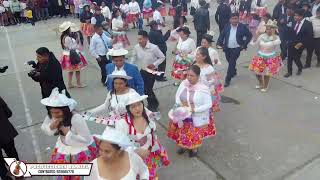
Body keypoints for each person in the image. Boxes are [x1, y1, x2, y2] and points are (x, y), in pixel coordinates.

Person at [41, 88, 98, 180]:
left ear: (66, 110)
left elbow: (85, 139)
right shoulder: (52, 115)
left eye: (57, 112)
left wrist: (67, 133)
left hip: (79, 150)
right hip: (63, 148)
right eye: (52, 112)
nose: (54, 115)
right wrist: (51, 127)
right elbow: (45, 127)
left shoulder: (76, 118)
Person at [115, 93, 170, 179]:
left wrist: (151, 146)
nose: (137, 108)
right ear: (128, 109)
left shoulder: (148, 116)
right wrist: (136, 151)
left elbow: (153, 133)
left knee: (151, 174)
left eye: (139, 104)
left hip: (150, 152)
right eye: (133, 106)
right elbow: (119, 144)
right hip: (134, 158)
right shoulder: (122, 124)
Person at [167, 65, 216, 157]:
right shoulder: (184, 83)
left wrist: (194, 109)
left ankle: (194, 148)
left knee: (194, 134)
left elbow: (208, 104)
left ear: (198, 76)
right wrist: (180, 104)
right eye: (188, 75)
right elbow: (177, 96)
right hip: (183, 114)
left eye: (192, 76)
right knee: (182, 132)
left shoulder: (203, 88)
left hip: (196, 116)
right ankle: (183, 146)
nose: (189, 78)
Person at [85, 126, 149, 180]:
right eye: (100, 149)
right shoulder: (93, 165)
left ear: (119, 151)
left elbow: (144, 171)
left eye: (107, 151)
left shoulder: (132, 158)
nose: (102, 154)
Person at [131, 30, 165, 112]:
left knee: (148, 89)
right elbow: (133, 57)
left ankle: (153, 104)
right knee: (143, 89)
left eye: (140, 39)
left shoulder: (154, 48)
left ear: (146, 39)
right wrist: (131, 66)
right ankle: (153, 102)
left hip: (152, 71)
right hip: (142, 71)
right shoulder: (136, 47)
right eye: (138, 39)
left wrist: (154, 64)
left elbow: (162, 57)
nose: (139, 41)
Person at [217, 13, 252, 87]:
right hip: (227, 48)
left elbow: (249, 35)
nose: (234, 20)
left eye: (236, 18)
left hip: (237, 49)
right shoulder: (227, 26)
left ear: (238, 19)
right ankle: (234, 71)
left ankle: (227, 79)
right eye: (232, 19)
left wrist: (244, 45)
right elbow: (222, 35)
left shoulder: (242, 27)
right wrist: (219, 43)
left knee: (231, 63)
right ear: (230, 19)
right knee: (230, 61)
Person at [248, 20, 282, 92]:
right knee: (257, 72)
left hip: (270, 58)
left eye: (270, 29)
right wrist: (255, 36)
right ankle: (261, 83)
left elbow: (276, 42)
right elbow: (254, 44)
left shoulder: (276, 37)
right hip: (260, 56)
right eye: (267, 29)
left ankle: (265, 86)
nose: (268, 30)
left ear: (274, 30)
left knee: (267, 73)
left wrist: (273, 34)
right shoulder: (262, 36)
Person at [284, 9, 313, 77]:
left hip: (300, 44)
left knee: (296, 58)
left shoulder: (308, 24)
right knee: (290, 57)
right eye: (294, 15)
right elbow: (290, 32)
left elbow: (309, 35)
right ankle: (289, 72)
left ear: (301, 16)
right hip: (291, 42)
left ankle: (300, 68)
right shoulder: (293, 22)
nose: (295, 17)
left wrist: (301, 43)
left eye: (297, 16)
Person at [59, 21, 88, 89]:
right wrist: (77, 43)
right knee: (77, 70)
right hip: (72, 55)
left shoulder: (64, 37)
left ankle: (70, 84)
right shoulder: (67, 38)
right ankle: (78, 83)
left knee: (71, 71)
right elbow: (71, 47)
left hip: (67, 55)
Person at [194, 47, 223, 112]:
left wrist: (205, 83)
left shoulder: (209, 68)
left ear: (204, 57)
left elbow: (214, 82)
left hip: (205, 93)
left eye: (198, 54)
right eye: (196, 54)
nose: (196, 56)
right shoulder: (194, 66)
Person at [0, 96, 20, 180]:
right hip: (5, 132)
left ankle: (5, 177)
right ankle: (18, 174)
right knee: (12, 153)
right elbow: (9, 113)